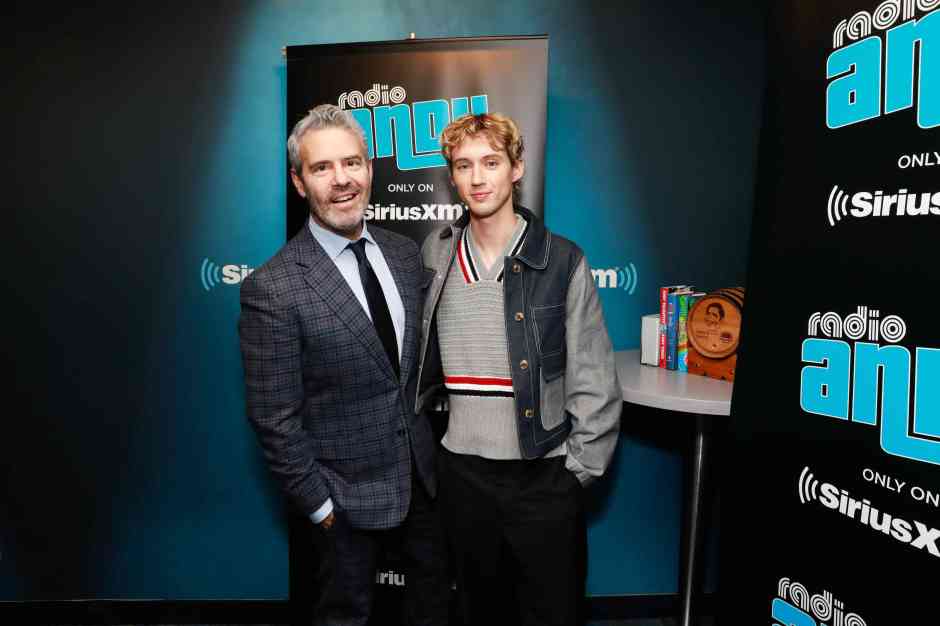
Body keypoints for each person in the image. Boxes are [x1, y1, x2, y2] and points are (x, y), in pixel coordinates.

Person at [239, 104, 448, 626]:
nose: (341, 180)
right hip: (342, 503)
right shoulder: (274, 287)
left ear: (370, 170)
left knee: (435, 610)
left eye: (351, 163)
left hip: (423, 485)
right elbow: (274, 419)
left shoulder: (404, 255)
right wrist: (322, 509)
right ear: (298, 181)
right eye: (322, 168)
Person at [415, 112, 621, 626]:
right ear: (452, 176)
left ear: (516, 168)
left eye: (490, 162)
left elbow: (595, 378)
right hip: (461, 474)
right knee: (478, 614)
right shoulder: (436, 253)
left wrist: (575, 472)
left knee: (553, 613)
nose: (477, 177)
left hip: (542, 474)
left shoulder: (562, 260)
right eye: (464, 165)